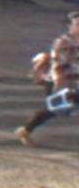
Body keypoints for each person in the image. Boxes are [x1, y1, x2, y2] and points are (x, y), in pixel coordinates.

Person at [16, 12, 79, 144]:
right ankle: (25, 130)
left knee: (59, 108)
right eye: (77, 24)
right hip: (60, 81)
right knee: (55, 109)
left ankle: (25, 130)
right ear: (69, 26)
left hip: (73, 81)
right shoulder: (63, 42)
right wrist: (61, 84)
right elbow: (59, 65)